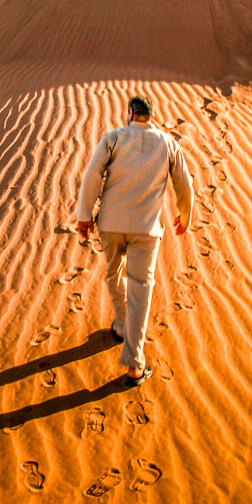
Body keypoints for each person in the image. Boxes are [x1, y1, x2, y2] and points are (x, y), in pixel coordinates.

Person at [76, 95, 193, 386]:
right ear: (149, 116)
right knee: (141, 287)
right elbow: (185, 183)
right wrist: (185, 215)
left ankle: (120, 325)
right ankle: (135, 364)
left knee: (113, 273)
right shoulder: (168, 143)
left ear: (130, 114)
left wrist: (84, 215)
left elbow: (92, 175)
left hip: (111, 224)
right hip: (146, 228)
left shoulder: (112, 138)